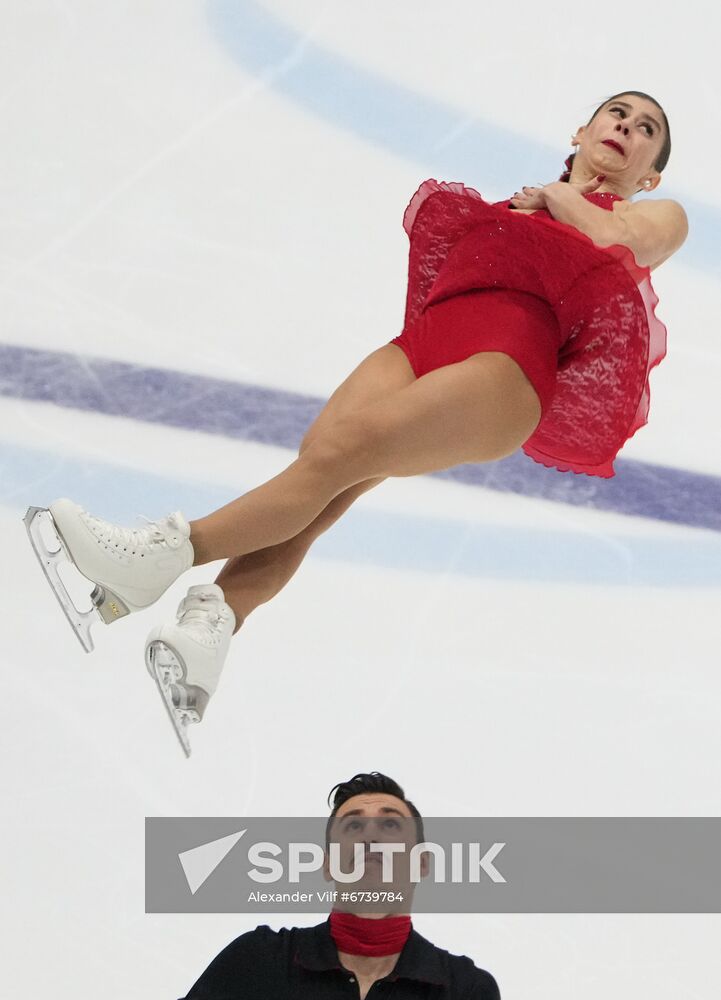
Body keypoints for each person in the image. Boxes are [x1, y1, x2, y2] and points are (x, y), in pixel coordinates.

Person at [25, 91, 688, 752]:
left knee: (344, 452)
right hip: (425, 341)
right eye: (617, 114)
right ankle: (215, 623)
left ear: (648, 173)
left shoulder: (655, 214)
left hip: (507, 367)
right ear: (582, 127)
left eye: (644, 130)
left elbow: (613, 237)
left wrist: (554, 198)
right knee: (322, 470)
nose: (626, 127)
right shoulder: (517, 202)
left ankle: (164, 555)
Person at [179, 772, 501, 999]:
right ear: (329, 864)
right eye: (353, 825)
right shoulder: (258, 961)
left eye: (390, 824)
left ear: (422, 863)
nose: (371, 837)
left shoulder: (465, 989)